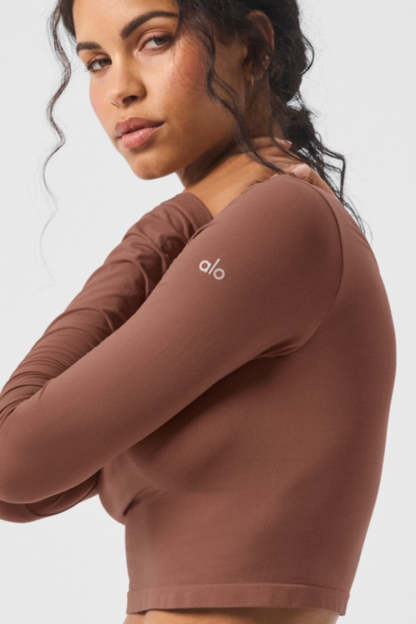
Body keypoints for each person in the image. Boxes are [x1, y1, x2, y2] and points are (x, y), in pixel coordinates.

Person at [0, 1, 396, 624]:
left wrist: (181, 214)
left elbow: (13, 457)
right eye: (97, 62)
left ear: (253, 47)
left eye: (154, 41)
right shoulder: (259, 225)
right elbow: (27, 491)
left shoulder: (281, 220)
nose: (121, 89)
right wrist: (195, 214)